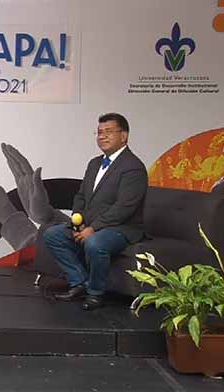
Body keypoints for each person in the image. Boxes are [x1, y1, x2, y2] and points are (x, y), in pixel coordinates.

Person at [42, 113, 147, 310]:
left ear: (124, 136)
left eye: (108, 132)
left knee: (94, 242)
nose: (102, 136)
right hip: (89, 223)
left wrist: (93, 228)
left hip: (121, 228)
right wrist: (77, 224)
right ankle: (79, 282)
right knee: (52, 235)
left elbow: (124, 207)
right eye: (99, 132)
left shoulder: (134, 167)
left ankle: (95, 293)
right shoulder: (94, 163)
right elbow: (81, 196)